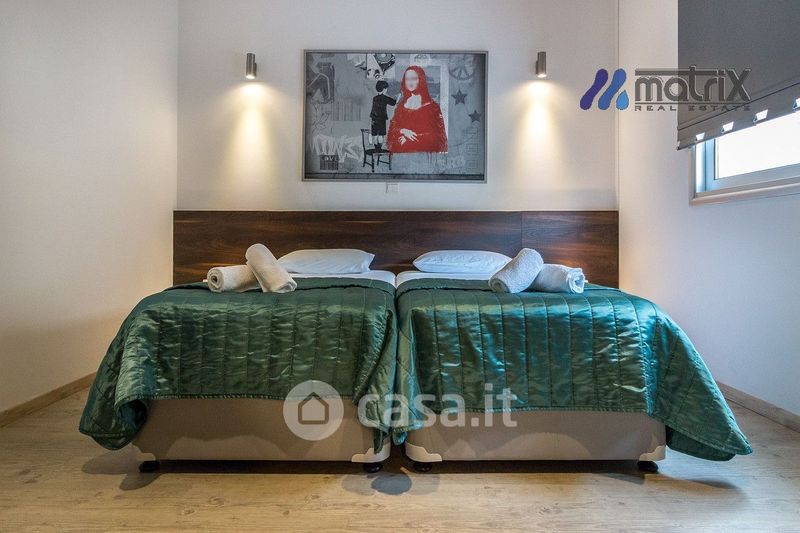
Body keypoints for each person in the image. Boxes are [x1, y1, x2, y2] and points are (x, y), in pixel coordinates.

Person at [387, 66, 448, 153]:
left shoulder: (432, 107)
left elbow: (439, 137)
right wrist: (403, 131)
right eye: (407, 79)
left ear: (421, 80)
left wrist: (410, 139)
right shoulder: (401, 106)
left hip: (423, 154)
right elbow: (392, 130)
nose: (410, 82)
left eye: (414, 78)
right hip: (401, 152)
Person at [369, 80, 396, 150]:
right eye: (386, 89)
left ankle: (376, 148)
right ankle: (379, 149)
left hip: (374, 119)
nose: (386, 90)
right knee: (381, 135)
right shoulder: (385, 98)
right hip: (381, 119)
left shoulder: (374, 98)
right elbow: (393, 103)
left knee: (375, 134)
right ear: (384, 89)